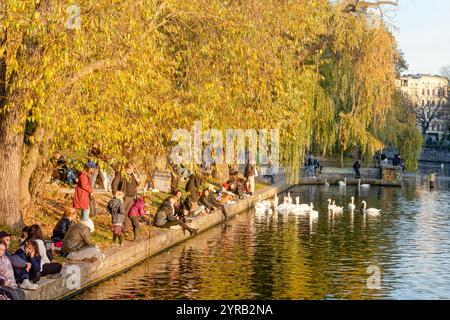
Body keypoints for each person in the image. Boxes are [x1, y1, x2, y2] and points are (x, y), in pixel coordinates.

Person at [112, 162, 140, 234]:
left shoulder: (133, 174)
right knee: (121, 212)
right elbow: (114, 183)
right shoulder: (121, 174)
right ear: (126, 168)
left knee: (128, 213)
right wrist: (115, 193)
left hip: (132, 197)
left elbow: (138, 183)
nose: (131, 170)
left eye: (132, 169)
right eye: (129, 169)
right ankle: (118, 228)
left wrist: (137, 178)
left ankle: (125, 228)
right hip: (124, 197)